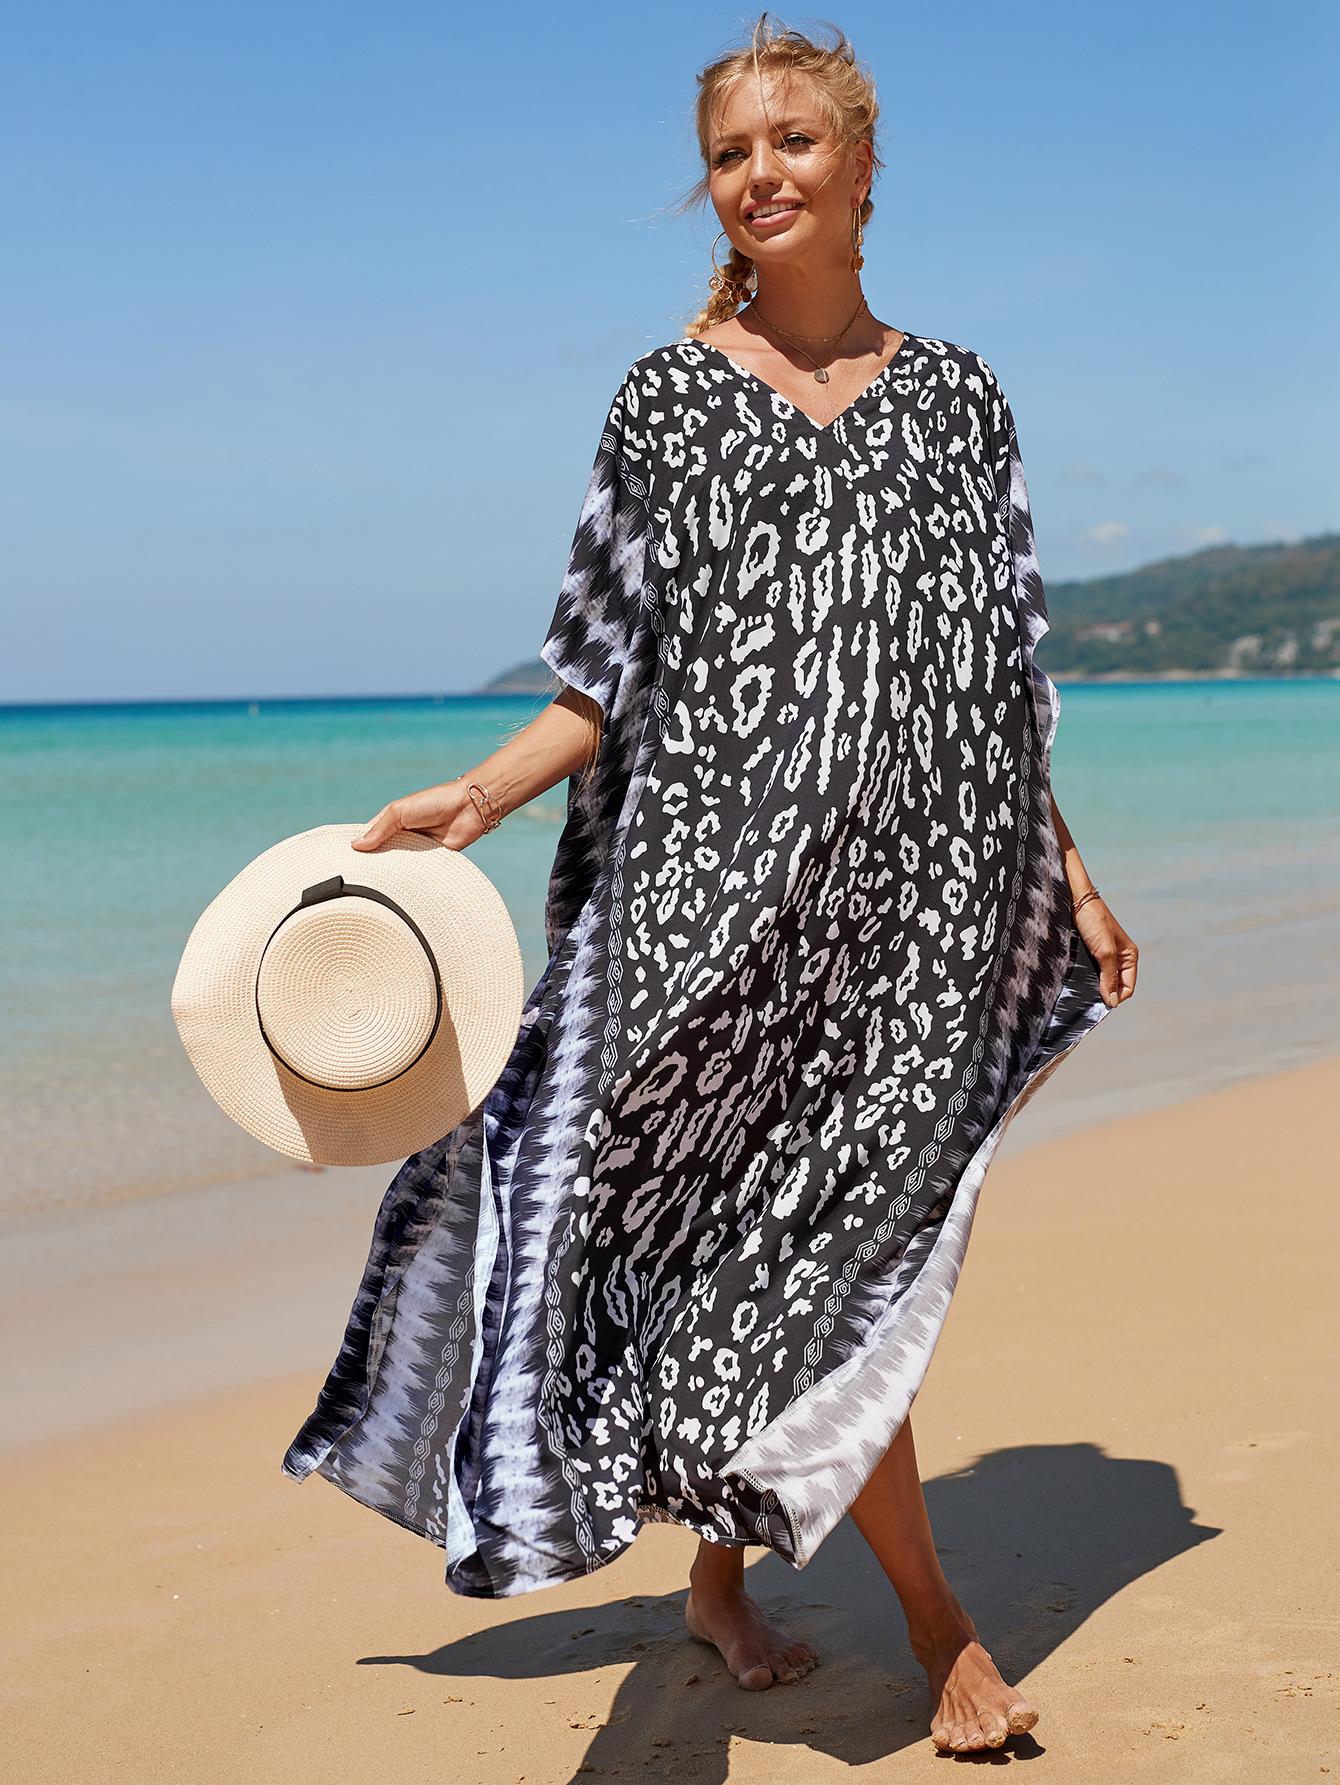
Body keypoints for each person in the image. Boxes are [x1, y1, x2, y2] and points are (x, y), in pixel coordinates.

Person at [281, 14, 1139, 1758]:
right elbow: (601, 672)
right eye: (731, 154)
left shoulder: (960, 399)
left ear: (864, 166)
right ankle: (907, 1619)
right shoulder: (666, 402)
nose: (761, 174)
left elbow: (997, 672)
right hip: (702, 916)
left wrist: (1069, 868)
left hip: (912, 918)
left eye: (793, 141)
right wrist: (476, 798)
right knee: (728, 1244)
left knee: (842, 1254)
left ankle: (788, 1591)